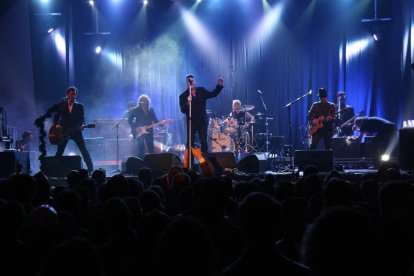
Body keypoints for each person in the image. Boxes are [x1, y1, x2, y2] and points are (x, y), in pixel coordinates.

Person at [179, 74, 224, 157]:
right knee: (190, 143)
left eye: (192, 80)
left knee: (204, 142)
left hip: (202, 121)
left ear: (194, 81)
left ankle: (205, 163)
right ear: (186, 83)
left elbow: (213, 94)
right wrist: (188, 102)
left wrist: (219, 86)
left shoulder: (201, 91)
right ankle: (190, 163)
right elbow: (183, 110)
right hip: (191, 122)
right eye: (189, 81)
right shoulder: (183, 96)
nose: (191, 82)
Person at [54, 86, 94, 173]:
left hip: (76, 131)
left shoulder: (80, 106)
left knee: (83, 150)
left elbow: (82, 119)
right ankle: (54, 169)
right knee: (59, 151)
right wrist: (56, 126)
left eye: (74, 94)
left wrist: (82, 125)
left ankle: (90, 168)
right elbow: (56, 116)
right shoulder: (62, 104)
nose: (73, 96)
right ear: (67, 94)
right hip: (64, 132)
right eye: (71, 94)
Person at [128, 94, 160, 159]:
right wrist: (135, 127)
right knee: (141, 150)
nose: (143, 101)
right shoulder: (136, 110)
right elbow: (129, 120)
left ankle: (153, 164)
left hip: (149, 131)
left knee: (151, 149)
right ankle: (141, 165)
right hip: (140, 132)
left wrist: (161, 123)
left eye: (144, 100)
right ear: (139, 101)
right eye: (141, 100)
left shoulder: (151, 110)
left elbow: (155, 120)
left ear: (147, 101)